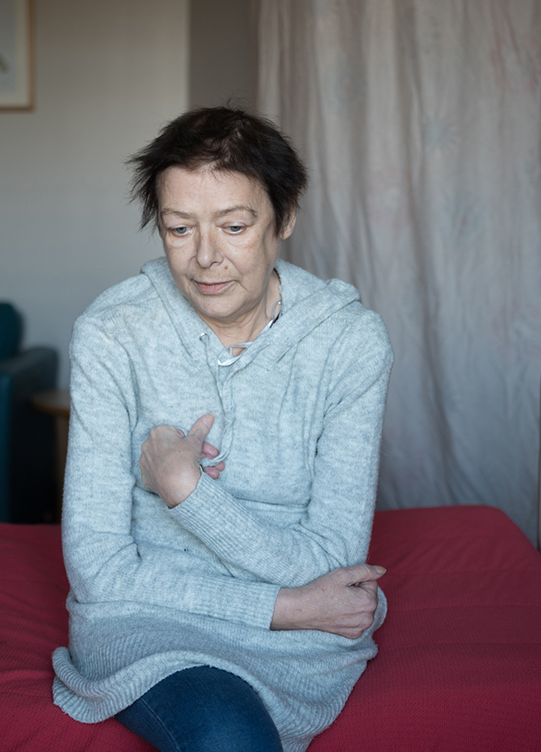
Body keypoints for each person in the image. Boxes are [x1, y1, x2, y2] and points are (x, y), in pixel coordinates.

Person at [52, 107, 394, 752]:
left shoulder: (348, 342)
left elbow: (332, 559)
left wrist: (187, 493)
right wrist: (288, 607)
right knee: (226, 735)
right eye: (179, 229)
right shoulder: (112, 333)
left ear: (284, 219)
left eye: (235, 226)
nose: (206, 259)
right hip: (146, 625)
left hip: (304, 645)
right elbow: (98, 570)